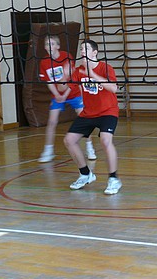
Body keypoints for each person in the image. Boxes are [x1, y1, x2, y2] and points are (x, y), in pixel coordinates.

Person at [64, 39, 122, 195]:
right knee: (69, 140)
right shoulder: (78, 71)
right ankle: (85, 174)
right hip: (88, 112)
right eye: (81, 48)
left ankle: (114, 179)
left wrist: (93, 75)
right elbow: (67, 89)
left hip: (108, 111)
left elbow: (113, 88)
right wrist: (65, 76)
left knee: (105, 140)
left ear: (95, 52)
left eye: (86, 48)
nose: (83, 51)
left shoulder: (105, 68)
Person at [38, 34, 96, 163]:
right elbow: (49, 82)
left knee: (84, 119)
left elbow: (72, 79)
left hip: (73, 92)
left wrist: (64, 95)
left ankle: (89, 147)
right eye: (47, 44)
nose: (49, 46)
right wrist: (57, 95)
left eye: (52, 44)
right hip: (57, 95)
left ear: (58, 46)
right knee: (52, 122)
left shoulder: (66, 57)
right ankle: (48, 151)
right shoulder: (44, 62)